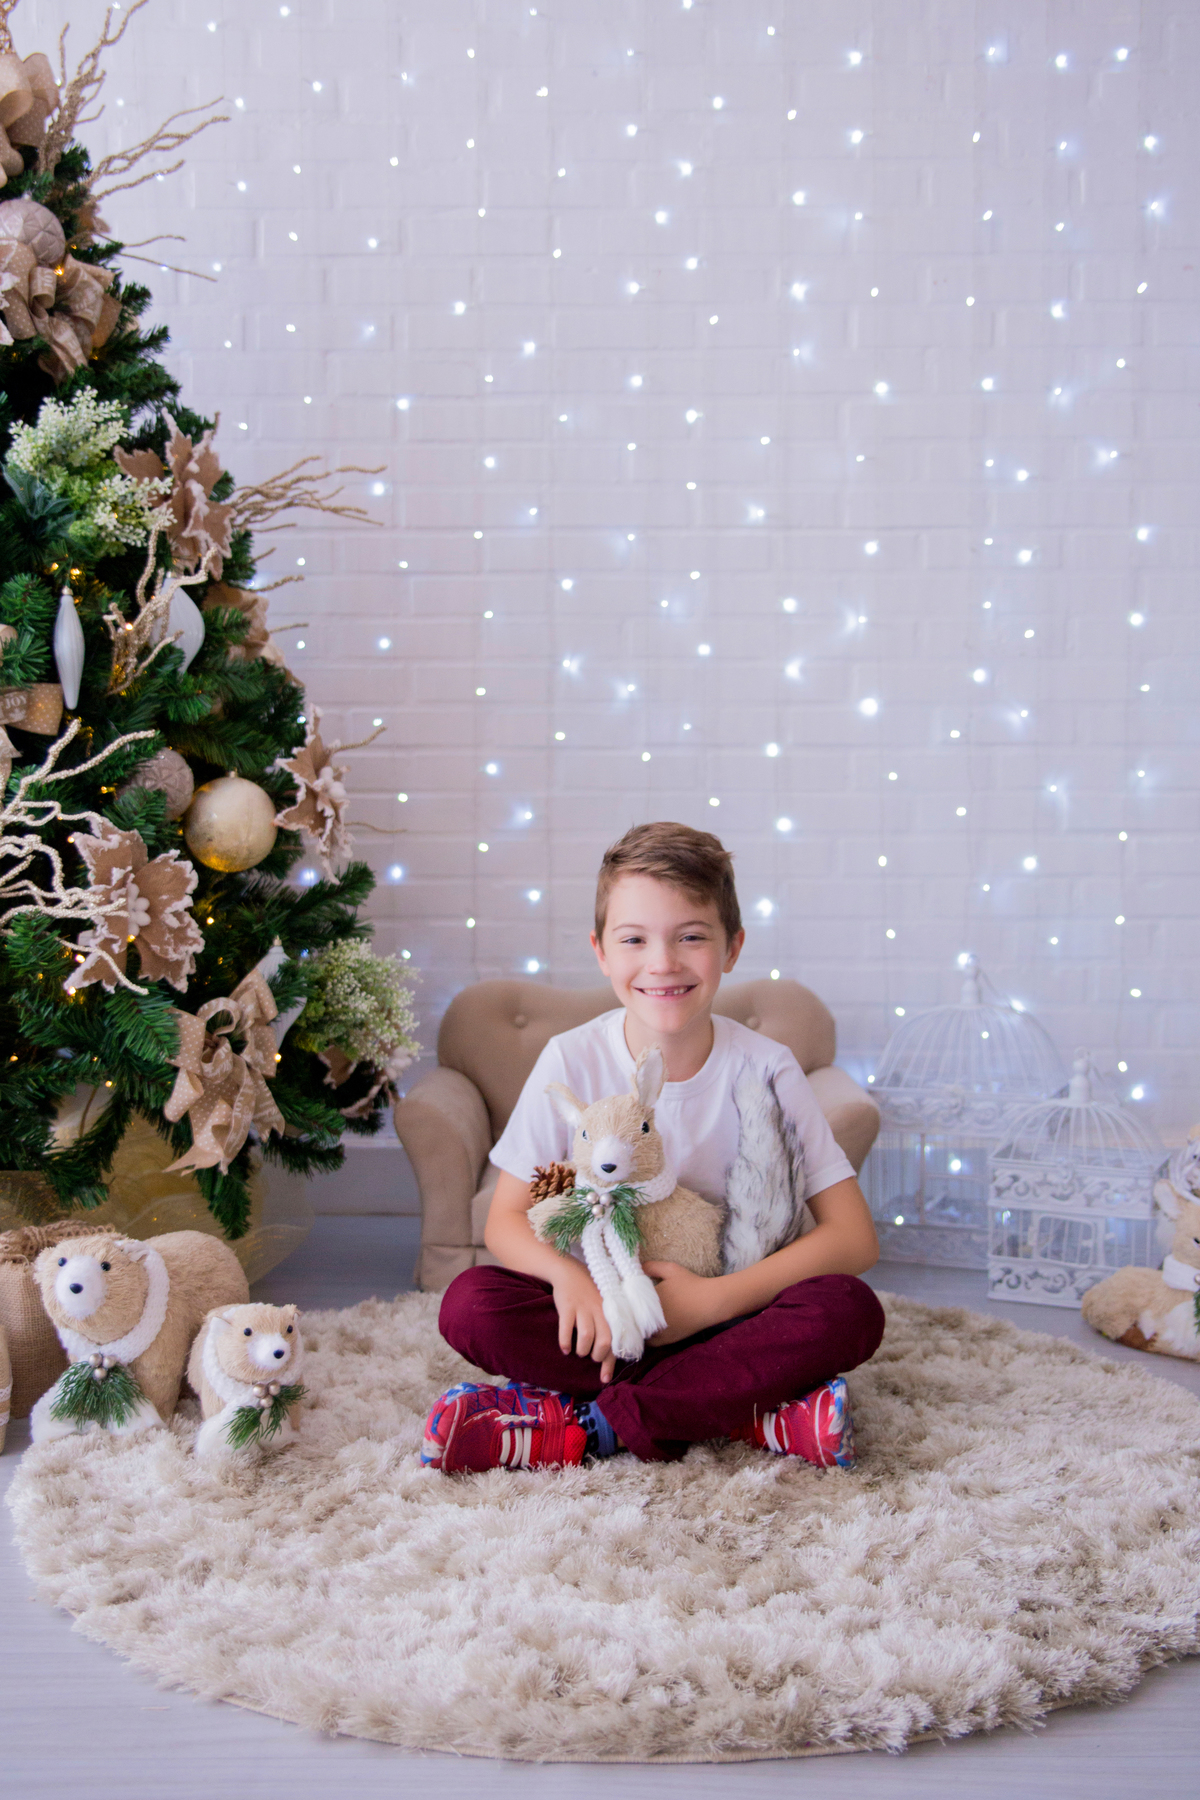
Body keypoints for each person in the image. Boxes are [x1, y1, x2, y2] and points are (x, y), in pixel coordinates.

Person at [424, 822, 885, 1473]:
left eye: (691, 936)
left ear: (731, 948)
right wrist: (569, 1280)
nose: (662, 963)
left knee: (848, 1311)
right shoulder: (574, 1061)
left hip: (731, 1314)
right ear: (601, 951)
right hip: (607, 1318)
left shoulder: (768, 1069)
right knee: (471, 1303)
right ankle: (755, 1416)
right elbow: (508, 1217)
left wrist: (712, 1302)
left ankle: (589, 1425)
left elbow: (853, 1240)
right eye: (634, 939)